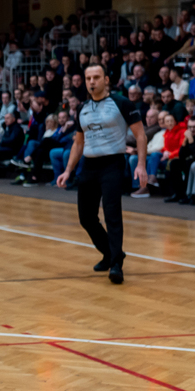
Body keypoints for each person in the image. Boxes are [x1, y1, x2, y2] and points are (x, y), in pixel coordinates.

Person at [56, 63, 146, 283]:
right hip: (89, 165)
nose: (92, 82)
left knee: (112, 214)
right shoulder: (83, 108)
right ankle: (110, 252)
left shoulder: (122, 103)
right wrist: (68, 170)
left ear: (106, 80)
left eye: (96, 77)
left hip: (112, 164)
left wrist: (141, 165)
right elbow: (78, 143)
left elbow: (141, 135)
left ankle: (116, 265)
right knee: (86, 217)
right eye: (88, 78)